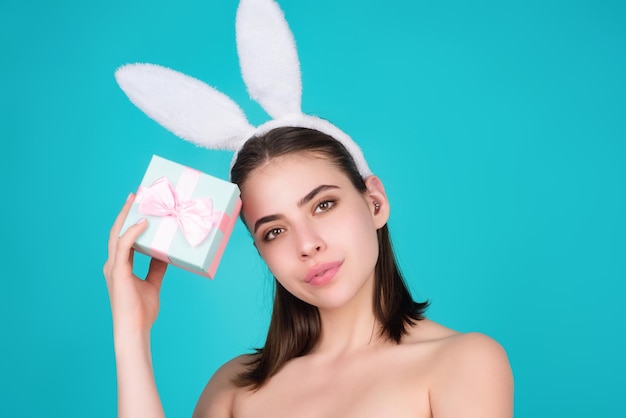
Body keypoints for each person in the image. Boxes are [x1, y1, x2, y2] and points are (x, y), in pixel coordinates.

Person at [104, 126, 514, 417]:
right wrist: (131, 333)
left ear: (375, 202)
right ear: (261, 253)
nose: (307, 244)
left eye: (323, 205)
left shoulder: (463, 362)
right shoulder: (233, 388)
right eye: (275, 231)